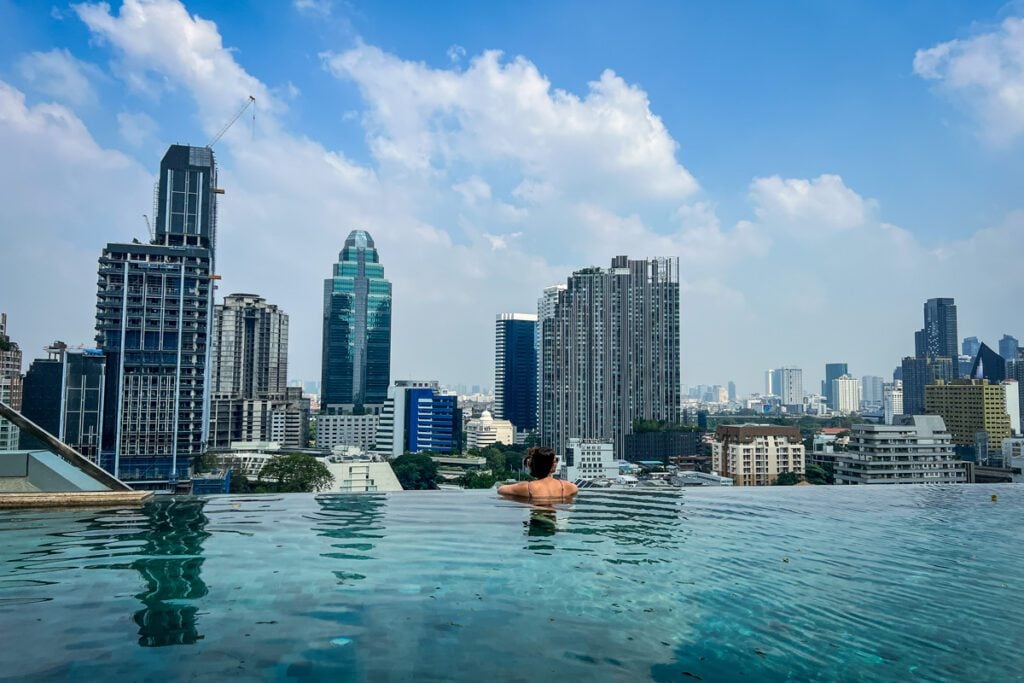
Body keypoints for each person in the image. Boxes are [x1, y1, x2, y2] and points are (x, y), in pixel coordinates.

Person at [498, 447, 578, 500]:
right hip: (557, 523)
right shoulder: (568, 487)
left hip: (536, 520)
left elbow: (501, 489)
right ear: (553, 465)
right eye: (556, 460)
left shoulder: (526, 488)